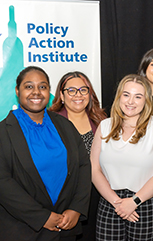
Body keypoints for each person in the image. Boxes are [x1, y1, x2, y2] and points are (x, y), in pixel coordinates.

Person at [0, 66, 91, 241]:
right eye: (29, 86)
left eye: (42, 87)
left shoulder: (66, 126)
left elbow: (83, 166)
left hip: (64, 228)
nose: (36, 92)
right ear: (17, 91)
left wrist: (76, 209)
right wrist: (42, 217)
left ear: (49, 91)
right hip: (21, 230)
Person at [90, 74, 153, 241]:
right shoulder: (104, 126)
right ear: (119, 96)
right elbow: (94, 169)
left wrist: (134, 201)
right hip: (110, 202)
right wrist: (117, 203)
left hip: (146, 203)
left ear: (146, 101)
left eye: (138, 96)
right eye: (126, 94)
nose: (130, 101)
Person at [49, 71, 107, 241]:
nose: (78, 95)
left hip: (99, 197)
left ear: (90, 93)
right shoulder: (50, 124)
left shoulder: (102, 122)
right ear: (61, 94)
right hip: (66, 200)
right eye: (71, 90)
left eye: (83, 90)